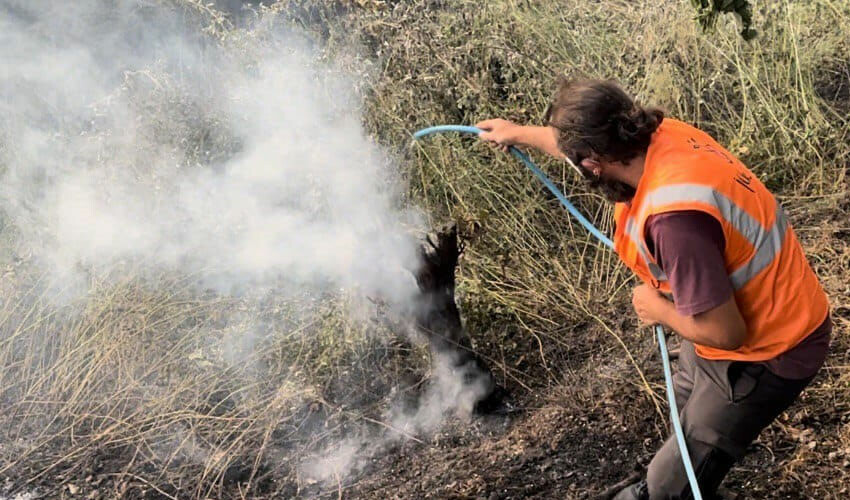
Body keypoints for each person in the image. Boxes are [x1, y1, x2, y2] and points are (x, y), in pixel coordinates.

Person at [475, 79, 831, 499]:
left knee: (666, 486)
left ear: (593, 162)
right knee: (681, 418)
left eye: (579, 160)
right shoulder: (657, 134)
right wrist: (517, 133)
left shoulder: (674, 221)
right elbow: (582, 144)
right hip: (760, 305)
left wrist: (657, 309)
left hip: (770, 348)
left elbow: (726, 333)